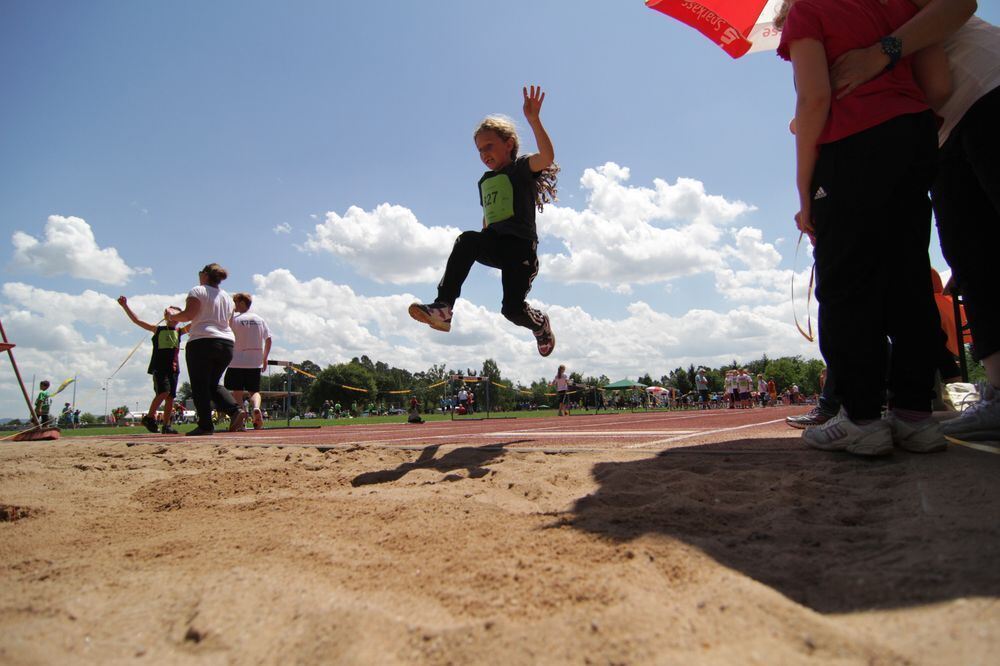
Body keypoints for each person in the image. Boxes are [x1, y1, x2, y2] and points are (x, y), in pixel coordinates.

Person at [776, 0, 952, 456]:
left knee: (847, 283)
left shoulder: (807, 11)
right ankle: (915, 415)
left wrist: (803, 190)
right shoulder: (907, 5)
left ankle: (862, 418)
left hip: (850, 146)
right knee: (909, 274)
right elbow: (938, 84)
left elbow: (814, 99)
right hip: (913, 136)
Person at [408, 86, 558, 357]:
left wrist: (534, 120)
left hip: (520, 250)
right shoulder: (485, 181)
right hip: (497, 242)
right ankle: (444, 307)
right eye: (479, 150)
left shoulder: (521, 169)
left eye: (489, 146)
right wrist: (480, 243)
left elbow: (547, 157)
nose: (484, 153)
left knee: (511, 310)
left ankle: (540, 325)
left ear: (509, 144)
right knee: (467, 240)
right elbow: (489, 217)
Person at [166, 263, 244, 436]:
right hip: (226, 343)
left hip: (203, 341)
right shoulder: (227, 299)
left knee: (200, 385)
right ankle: (234, 410)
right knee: (212, 384)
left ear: (205, 275)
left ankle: (206, 425)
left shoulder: (198, 291)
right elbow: (228, 323)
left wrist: (171, 316)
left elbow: (189, 315)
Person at [118, 296, 188, 435]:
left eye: (176, 316)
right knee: (163, 392)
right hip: (159, 367)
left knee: (170, 397)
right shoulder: (157, 330)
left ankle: (167, 425)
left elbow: (196, 322)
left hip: (174, 368)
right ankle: (149, 417)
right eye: (170, 315)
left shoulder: (180, 331)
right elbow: (137, 321)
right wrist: (125, 306)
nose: (173, 318)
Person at [223, 292, 272, 430]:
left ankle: (241, 418)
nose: (234, 305)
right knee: (254, 391)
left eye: (236, 302)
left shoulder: (235, 320)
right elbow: (268, 339)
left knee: (237, 392)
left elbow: (225, 331)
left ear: (242, 303)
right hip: (254, 361)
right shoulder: (260, 320)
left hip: (236, 361)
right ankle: (256, 407)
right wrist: (265, 357)